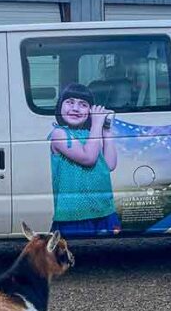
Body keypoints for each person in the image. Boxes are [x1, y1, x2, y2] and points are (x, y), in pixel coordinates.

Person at [48, 83, 121, 236]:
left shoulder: (90, 134)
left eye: (83, 104)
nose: (75, 108)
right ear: (60, 106)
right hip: (74, 213)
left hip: (103, 209)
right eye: (69, 102)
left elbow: (109, 165)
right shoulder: (60, 134)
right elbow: (88, 158)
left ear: (89, 111)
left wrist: (106, 131)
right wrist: (97, 124)